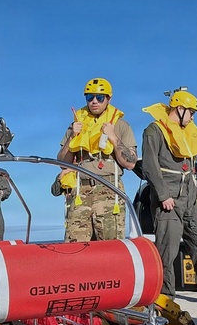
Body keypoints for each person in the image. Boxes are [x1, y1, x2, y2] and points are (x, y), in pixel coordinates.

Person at [141, 88, 197, 304]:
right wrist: (162, 195)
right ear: (179, 109)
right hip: (168, 199)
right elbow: (150, 166)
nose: (193, 117)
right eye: (192, 113)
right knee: (167, 249)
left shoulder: (186, 132)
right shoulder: (154, 131)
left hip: (191, 196)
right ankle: (166, 296)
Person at [56, 78, 138, 242]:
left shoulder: (121, 125)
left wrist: (114, 138)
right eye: (89, 97)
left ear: (109, 99)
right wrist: (72, 137)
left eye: (99, 98)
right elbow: (62, 162)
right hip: (80, 191)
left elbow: (130, 163)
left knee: (111, 246)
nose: (94, 101)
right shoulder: (76, 124)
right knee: (74, 247)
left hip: (109, 190)